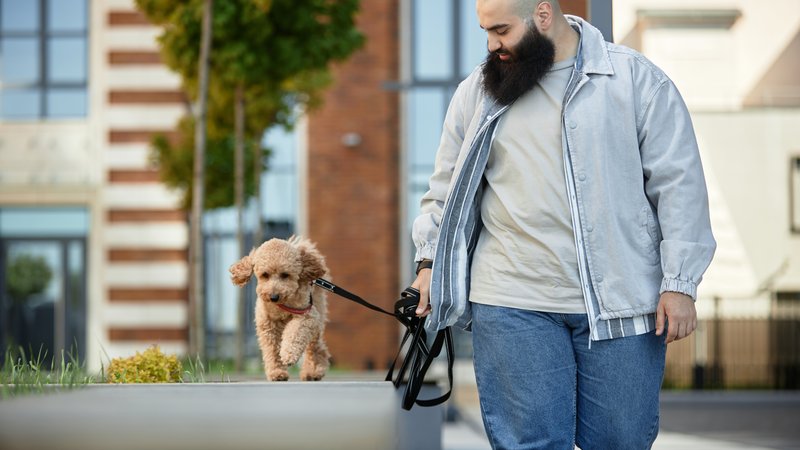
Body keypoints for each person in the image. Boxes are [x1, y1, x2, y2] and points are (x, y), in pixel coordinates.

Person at [410, 0, 716, 448]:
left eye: (501, 30)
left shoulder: (635, 81)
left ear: (542, 15)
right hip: (510, 300)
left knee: (620, 442)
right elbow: (444, 190)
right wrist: (428, 263)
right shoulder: (476, 92)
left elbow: (679, 186)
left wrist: (679, 283)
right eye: (485, 32)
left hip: (622, 302)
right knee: (529, 444)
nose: (492, 45)